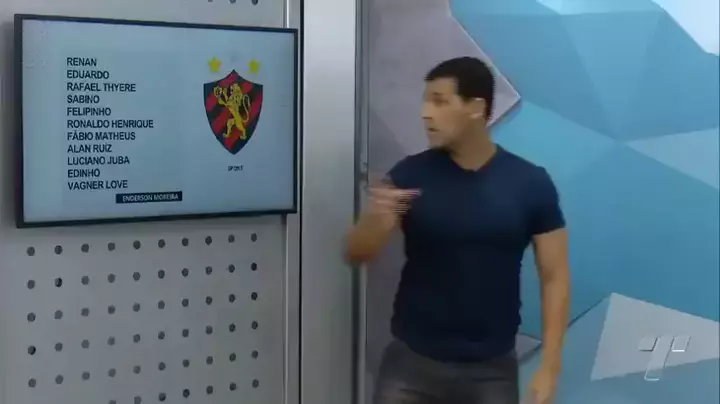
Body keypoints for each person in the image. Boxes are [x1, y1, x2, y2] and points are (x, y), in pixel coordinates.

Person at [345, 57, 571, 404]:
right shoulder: (409, 175)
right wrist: (376, 218)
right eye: (425, 101)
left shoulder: (530, 183)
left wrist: (550, 367)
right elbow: (357, 253)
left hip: (492, 373)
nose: (426, 113)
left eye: (439, 101)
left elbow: (555, 277)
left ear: (476, 108)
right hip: (410, 366)